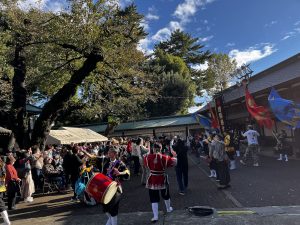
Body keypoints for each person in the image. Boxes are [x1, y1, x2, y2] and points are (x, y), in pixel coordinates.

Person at [144, 143, 177, 223]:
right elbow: (174, 163)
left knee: (153, 198)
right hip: (162, 178)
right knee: (166, 195)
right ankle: (168, 209)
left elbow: (145, 165)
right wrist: (174, 156)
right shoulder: (165, 157)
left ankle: (155, 216)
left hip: (152, 179)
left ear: (153, 149)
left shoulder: (147, 157)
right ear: (161, 148)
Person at [103, 147, 130, 225]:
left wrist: (120, 173)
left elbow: (127, 174)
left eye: (110, 152)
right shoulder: (106, 162)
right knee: (106, 209)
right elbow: (103, 173)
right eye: (108, 152)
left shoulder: (120, 163)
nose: (108, 153)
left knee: (114, 209)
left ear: (115, 154)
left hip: (115, 189)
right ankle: (110, 222)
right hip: (106, 188)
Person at [0, 157, 11, 225]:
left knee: (0, 204)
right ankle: (7, 222)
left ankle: (7, 222)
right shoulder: (2, 164)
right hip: (1, 185)